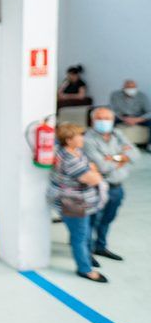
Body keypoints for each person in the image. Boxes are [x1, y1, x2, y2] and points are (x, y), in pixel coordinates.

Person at [47, 122, 107, 283]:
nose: (82, 138)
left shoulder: (75, 151)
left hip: (82, 201)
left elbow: (91, 169)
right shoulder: (70, 159)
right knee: (79, 236)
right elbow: (94, 179)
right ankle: (85, 269)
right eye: (79, 136)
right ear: (68, 140)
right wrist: (95, 172)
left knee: (84, 232)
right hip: (73, 203)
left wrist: (92, 170)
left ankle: (86, 257)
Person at [84, 107, 135, 261]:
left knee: (107, 218)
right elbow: (102, 166)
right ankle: (87, 252)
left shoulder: (117, 134)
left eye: (107, 119)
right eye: (100, 118)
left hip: (117, 187)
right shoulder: (88, 139)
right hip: (98, 188)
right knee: (92, 221)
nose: (104, 122)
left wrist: (112, 158)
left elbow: (135, 154)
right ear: (93, 120)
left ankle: (101, 247)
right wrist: (122, 157)